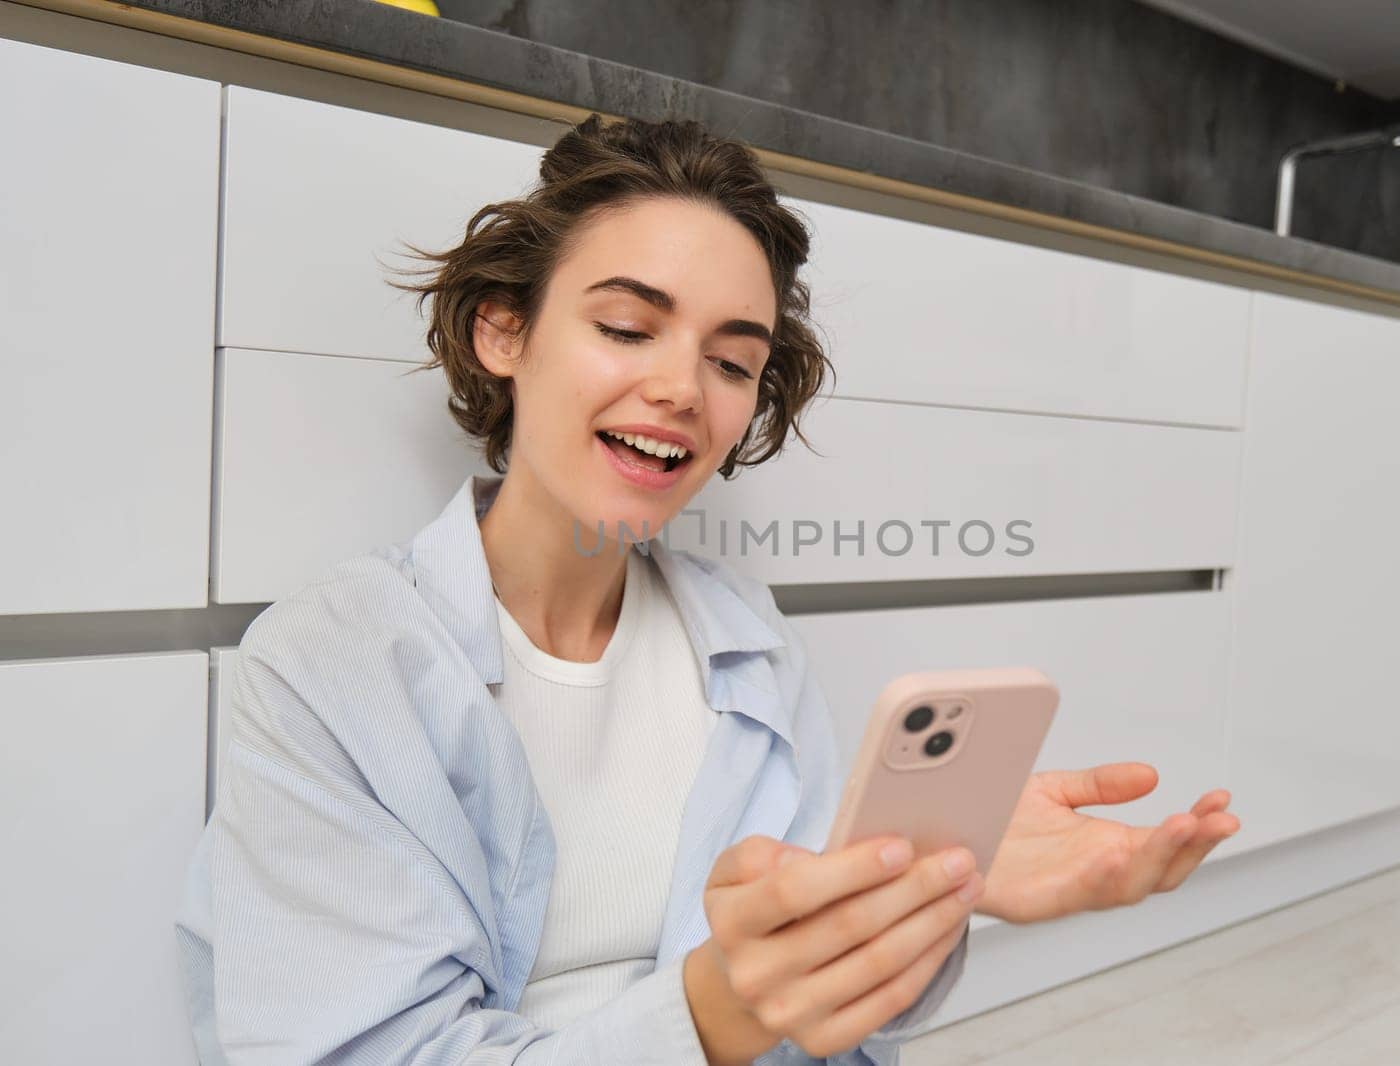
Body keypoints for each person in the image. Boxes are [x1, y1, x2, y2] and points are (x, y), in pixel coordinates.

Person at [174, 113, 1240, 1066]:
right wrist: (713, 1016)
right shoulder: (334, 665)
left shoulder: (742, 642)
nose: (682, 389)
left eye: (733, 362)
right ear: (504, 330)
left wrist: (927, 895)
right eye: (628, 328)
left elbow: (845, 1039)